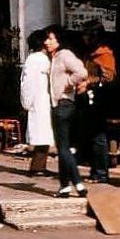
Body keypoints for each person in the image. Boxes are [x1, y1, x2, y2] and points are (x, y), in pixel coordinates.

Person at [44, 25, 90, 198]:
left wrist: (68, 83)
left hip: (64, 103)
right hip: (58, 104)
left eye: (51, 38)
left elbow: (82, 72)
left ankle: (77, 183)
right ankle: (65, 185)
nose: (47, 42)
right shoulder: (54, 57)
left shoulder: (65, 55)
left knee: (63, 146)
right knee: (62, 146)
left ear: (59, 41)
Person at [80, 21, 116, 183]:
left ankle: (101, 172)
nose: (84, 38)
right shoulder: (89, 53)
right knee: (91, 135)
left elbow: (108, 77)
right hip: (87, 98)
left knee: (99, 136)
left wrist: (89, 80)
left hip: (99, 99)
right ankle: (95, 170)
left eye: (87, 35)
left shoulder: (104, 54)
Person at [20, 29, 53, 177]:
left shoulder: (33, 59)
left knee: (43, 133)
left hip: (39, 100)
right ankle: (37, 167)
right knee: (42, 134)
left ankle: (39, 165)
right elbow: (29, 83)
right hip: (40, 100)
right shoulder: (39, 59)